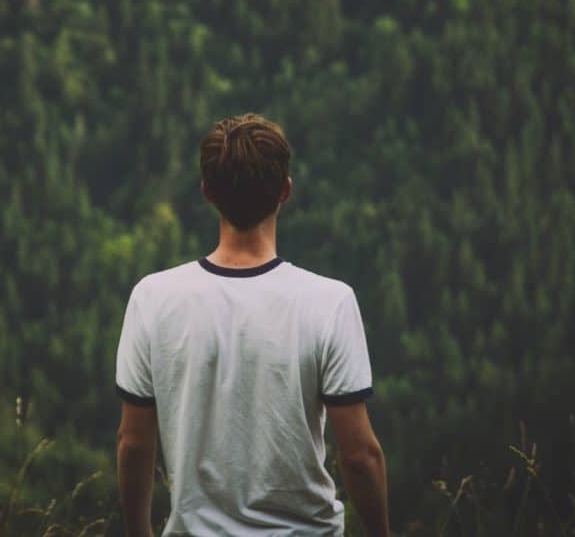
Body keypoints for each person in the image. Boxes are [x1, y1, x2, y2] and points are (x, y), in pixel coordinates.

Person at [115, 113, 390, 536]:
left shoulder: (153, 299)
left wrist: (139, 532)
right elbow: (359, 455)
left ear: (207, 192)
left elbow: (133, 444)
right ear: (286, 191)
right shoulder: (330, 302)